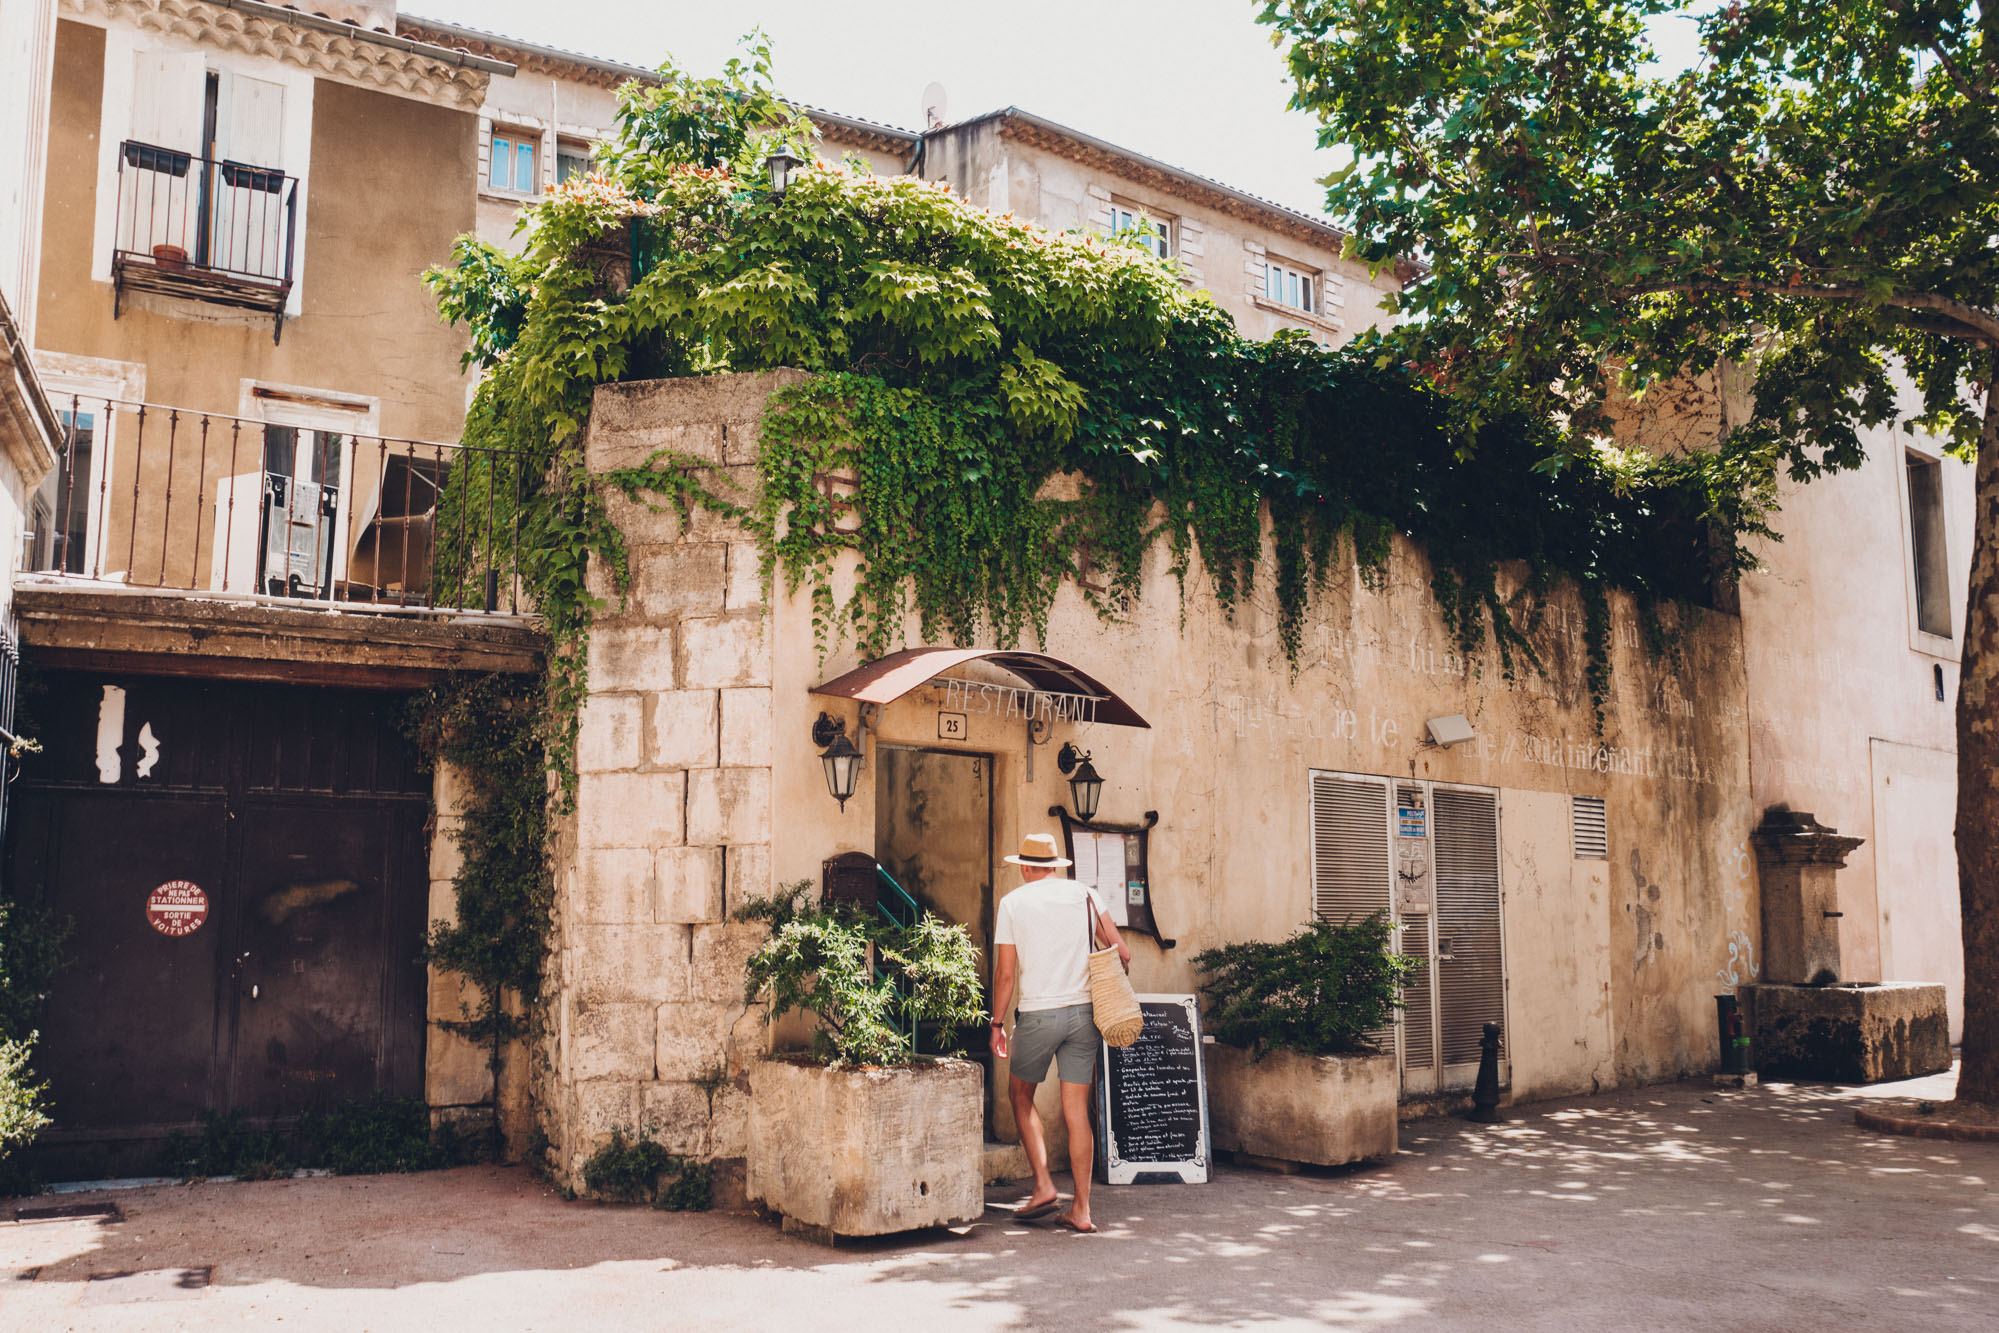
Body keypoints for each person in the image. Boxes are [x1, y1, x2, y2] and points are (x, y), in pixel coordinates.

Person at [989, 831, 1129, 1234]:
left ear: (1026, 867)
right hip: (1084, 1015)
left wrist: (997, 1024)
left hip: (1037, 1015)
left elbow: (1005, 975)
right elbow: (1121, 952)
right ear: (1055, 866)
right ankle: (1081, 1210)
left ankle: (1044, 1185)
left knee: (1020, 1096)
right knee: (1075, 1112)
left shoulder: (1013, 903)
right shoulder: (1085, 895)